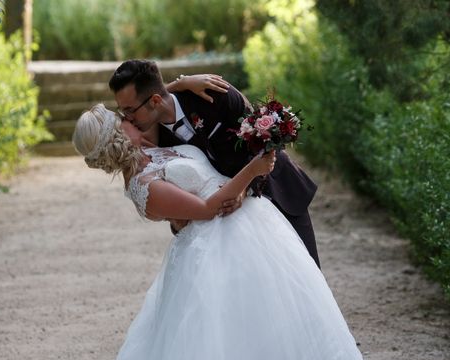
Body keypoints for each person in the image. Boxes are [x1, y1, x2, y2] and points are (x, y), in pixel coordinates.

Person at [0, 104, 385, 360]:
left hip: (252, 232)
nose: (130, 119)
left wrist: (187, 84)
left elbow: (164, 101)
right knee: (240, 335)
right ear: (117, 136)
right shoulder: (143, 187)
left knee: (276, 323)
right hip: (214, 250)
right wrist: (252, 171)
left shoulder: (156, 147)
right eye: (121, 120)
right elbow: (205, 209)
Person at [109, 60, 321, 267]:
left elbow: (263, 141)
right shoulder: (153, 139)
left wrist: (243, 189)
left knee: (306, 273)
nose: (127, 117)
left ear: (155, 101)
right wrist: (174, 218)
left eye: (129, 110)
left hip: (277, 189)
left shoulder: (213, 93)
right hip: (230, 223)